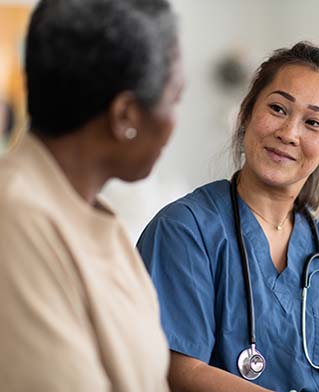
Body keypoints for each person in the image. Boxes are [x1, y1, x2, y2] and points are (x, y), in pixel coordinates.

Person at [138, 42, 319, 392]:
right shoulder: (185, 229)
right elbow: (180, 370)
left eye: (314, 122)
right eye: (277, 108)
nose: (288, 133)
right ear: (246, 114)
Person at [0, 0, 183, 391]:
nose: (174, 122)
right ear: (126, 117)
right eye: (175, 99)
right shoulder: (17, 223)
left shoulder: (98, 220)